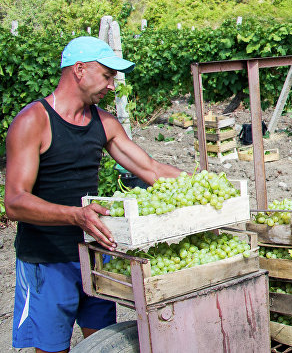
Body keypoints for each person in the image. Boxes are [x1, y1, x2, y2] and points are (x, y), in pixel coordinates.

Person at [4, 36, 184, 353]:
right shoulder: (33, 121)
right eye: (107, 75)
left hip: (93, 255)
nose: (112, 86)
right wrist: (74, 215)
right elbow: (15, 202)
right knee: (51, 348)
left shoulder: (104, 122)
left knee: (103, 344)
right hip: (46, 262)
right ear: (79, 69)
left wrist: (211, 185)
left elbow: (151, 169)